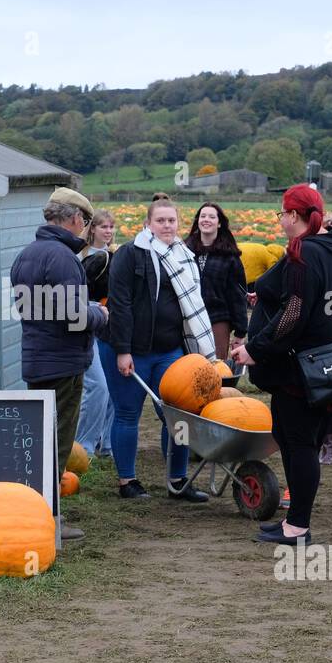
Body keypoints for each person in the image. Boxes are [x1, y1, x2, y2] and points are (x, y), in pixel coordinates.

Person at [231, 184, 332, 544]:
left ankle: (297, 526)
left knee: (298, 444)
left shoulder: (305, 252)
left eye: (281, 214)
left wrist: (256, 348)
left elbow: (294, 314)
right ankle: (293, 522)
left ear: (294, 216)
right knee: (295, 440)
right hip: (323, 362)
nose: (280, 220)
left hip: (299, 367)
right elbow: (308, 301)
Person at [10, 187, 109, 540]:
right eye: (84, 221)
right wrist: (100, 313)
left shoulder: (26, 255)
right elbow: (73, 317)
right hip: (63, 363)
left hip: (37, 358)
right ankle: (48, 518)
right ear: (74, 219)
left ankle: (32, 511)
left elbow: (34, 311)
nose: (84, 228)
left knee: (39, 440)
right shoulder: (64, 258)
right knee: (57, 443)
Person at [104, 197, 213, 502]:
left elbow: (193, 305)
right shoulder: (130, 254)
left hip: (169, 350)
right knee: (127, 414)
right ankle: (128, 481)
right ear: (147, 224)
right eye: (160, 221)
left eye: (171, 220)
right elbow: (121, 304)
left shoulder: (183, 256)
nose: (167, 226)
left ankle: (177, 480)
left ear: (178, 223)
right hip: (131, 349)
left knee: (177, 415)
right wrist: (123, 350)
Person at [74, 210, 116, 460]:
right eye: (103, 227)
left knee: (110, 387)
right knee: (98, 386)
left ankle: (106, 443)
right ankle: (83, 447)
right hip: (88, 320)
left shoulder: (111, 256)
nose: (108, 231)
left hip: (106, 325)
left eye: (111, 227)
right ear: (92, 229)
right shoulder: (86, 257)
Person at [183, 202, 248, 361]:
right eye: (203, 216)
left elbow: (237, 295)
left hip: (217, 318)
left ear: (219, 223)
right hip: (187, 317)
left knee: (214, 365)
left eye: (212, 217)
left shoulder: (229, 256)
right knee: (187, 365)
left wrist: (240, 332)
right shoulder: (184, 250)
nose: (206, 219)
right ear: (197, 220)